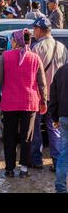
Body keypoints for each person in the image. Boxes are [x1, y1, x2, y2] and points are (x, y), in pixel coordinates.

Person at [0, 29, 48, 178]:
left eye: (12, 40)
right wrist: (44, 100)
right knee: (27, 136)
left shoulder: (6, 56)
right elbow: (42, 83)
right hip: (29, 103)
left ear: (16, 41)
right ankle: (24, 169)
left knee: (9, 136)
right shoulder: (35, 58)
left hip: (9, 103)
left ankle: (9, 169)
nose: (11, 42)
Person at [30, 17, 68, 171]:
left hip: (38, 96)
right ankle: (57, 161)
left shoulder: (35, 49)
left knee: (36, 129)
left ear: (40, 30)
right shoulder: (62, 47)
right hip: (57, 97)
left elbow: (31, 74)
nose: (34, 32)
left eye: (35, 29)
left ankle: (37, 160)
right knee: (54, 129)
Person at [48, 64, 68, 193]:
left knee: (64, 154)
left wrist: (54, 118)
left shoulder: (61, 71)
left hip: (64, 117)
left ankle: (60, 188)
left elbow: (53, 97)